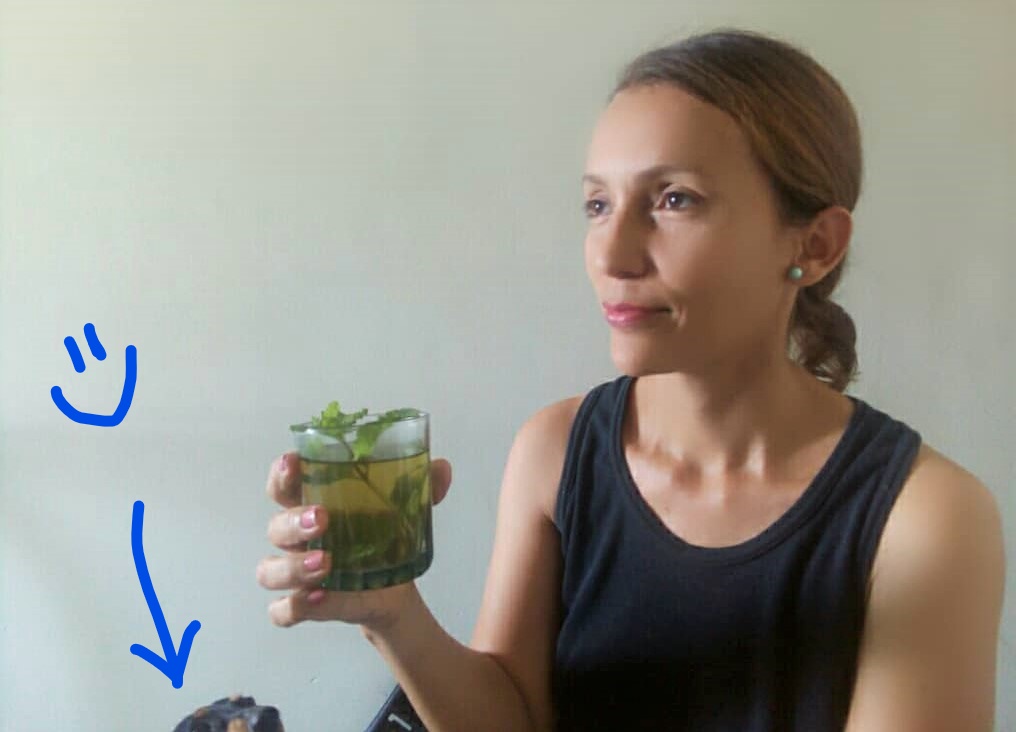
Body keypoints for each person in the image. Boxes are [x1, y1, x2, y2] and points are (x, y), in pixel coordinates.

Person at [256, 27, 1005, 731]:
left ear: (814, 244)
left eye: (674, 200)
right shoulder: (555, 452)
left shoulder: (925, 517)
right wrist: (392, 615)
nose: (612, 255)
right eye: (597, 204)